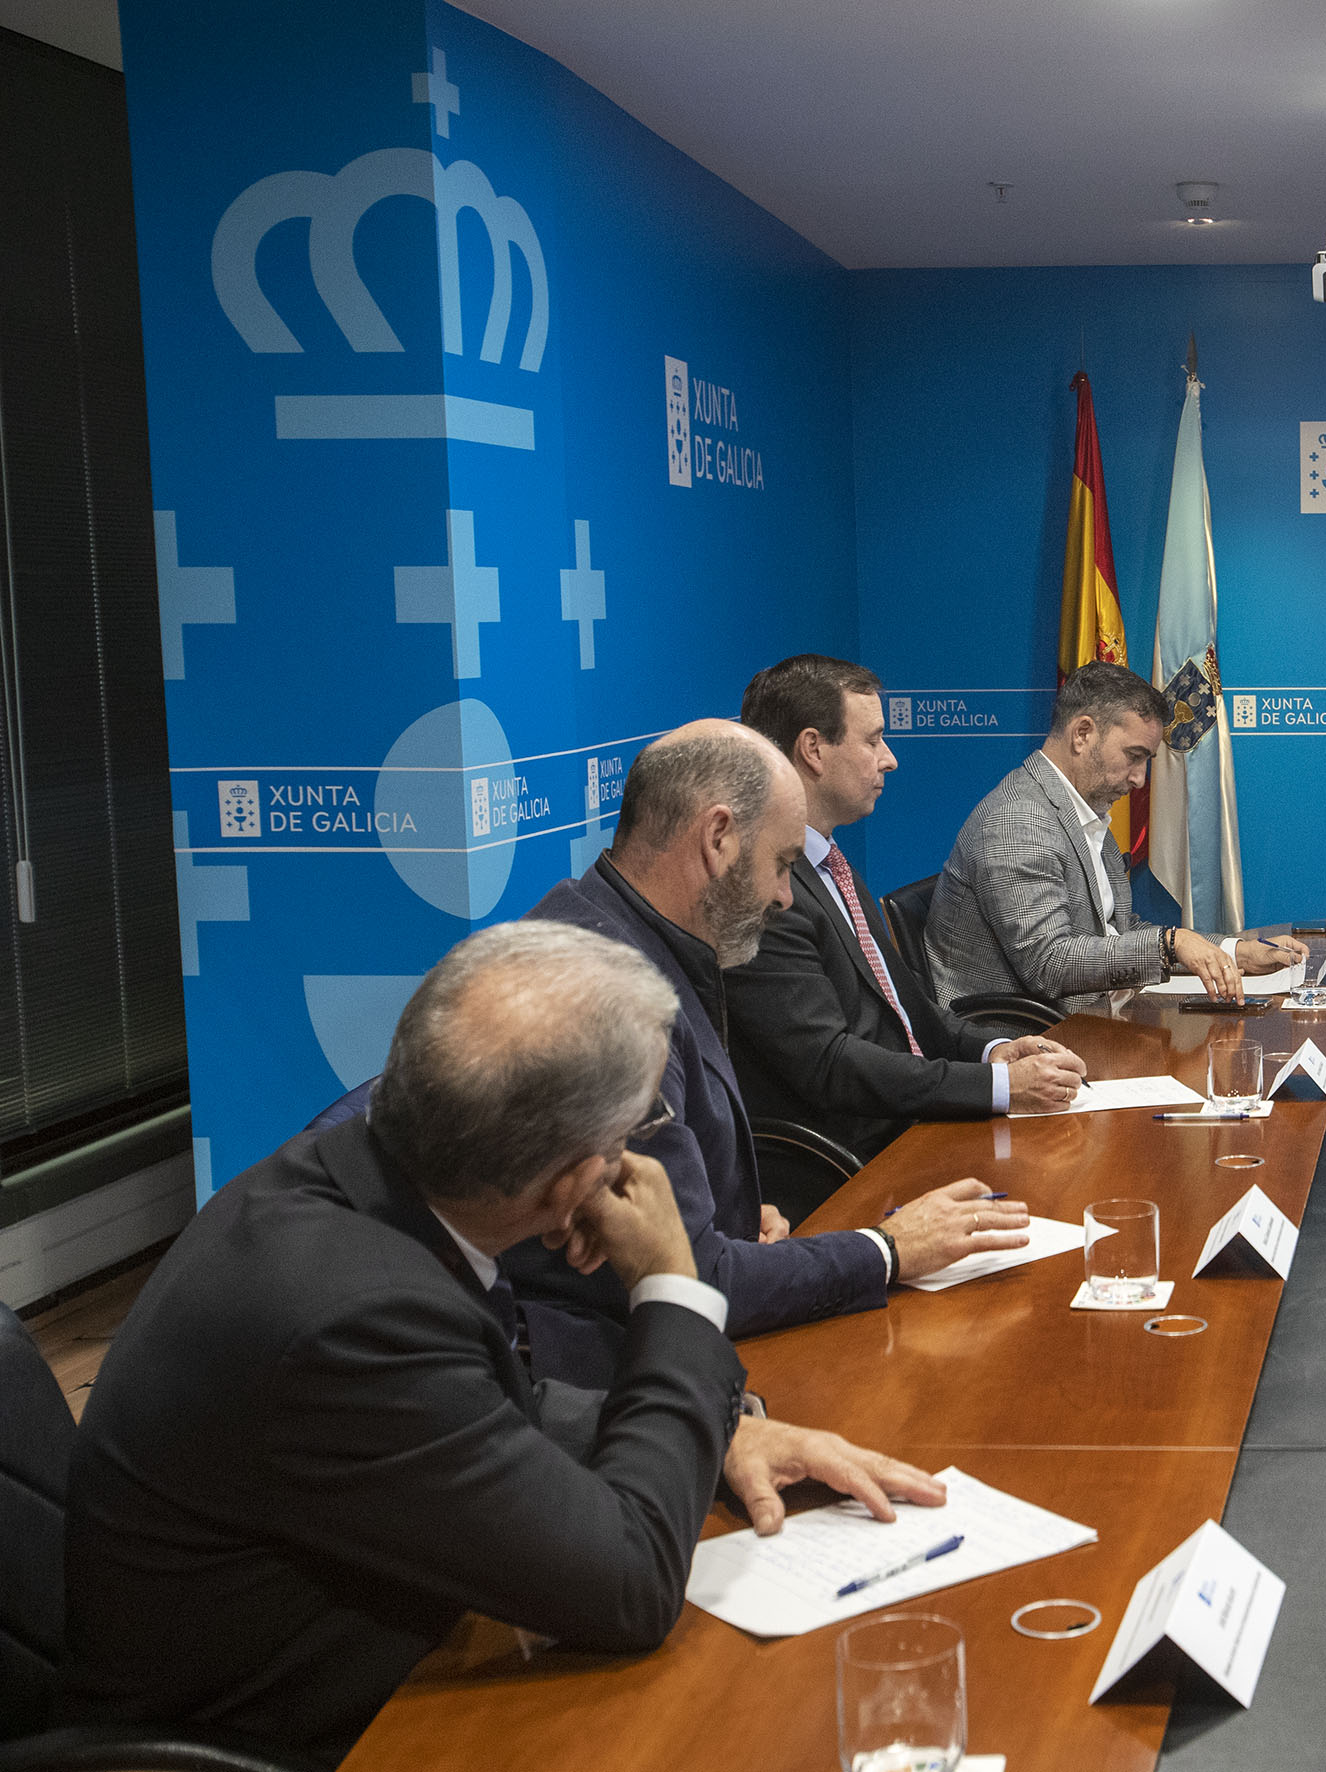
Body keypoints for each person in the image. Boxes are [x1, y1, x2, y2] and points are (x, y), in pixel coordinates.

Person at [55, 923, 944, 1769]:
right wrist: (670, 1285)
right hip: (307, 1735)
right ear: (572, 1182)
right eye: (632, 1141)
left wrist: (724, 1431)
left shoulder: (358, 1178)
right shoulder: (355, 1314)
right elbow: (631, 1588)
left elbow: (479, 1403)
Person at [512, 720, 1029, 1384]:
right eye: (783, 864)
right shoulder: (606, 1002)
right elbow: (690, 1279)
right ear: (718, 838)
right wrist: (889, 1249)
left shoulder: (620, 929)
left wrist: (726, 1215)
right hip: (596, 1375)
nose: (786, 896)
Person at [729, 654, 1084, 1160]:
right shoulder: (765, 887)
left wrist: (993, 1051)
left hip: (911, 1118)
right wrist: (999, 1088)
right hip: (855, 1156)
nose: (889, 759)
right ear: (813, 750)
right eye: (873, 740)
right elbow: (829, 1063)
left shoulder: (829, 860)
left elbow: (906, 1009)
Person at [927, 661, 1303, 1015]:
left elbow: (1117, 931)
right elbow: (1049, 964)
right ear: (1082, 734)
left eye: (1146, 761)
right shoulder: (1018, 820)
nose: (1139, 779)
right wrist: (1170, 944)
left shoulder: (1081, 810)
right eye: (1133, 756)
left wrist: (1236, 952)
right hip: (1028, 1038)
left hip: (1091, 1019)